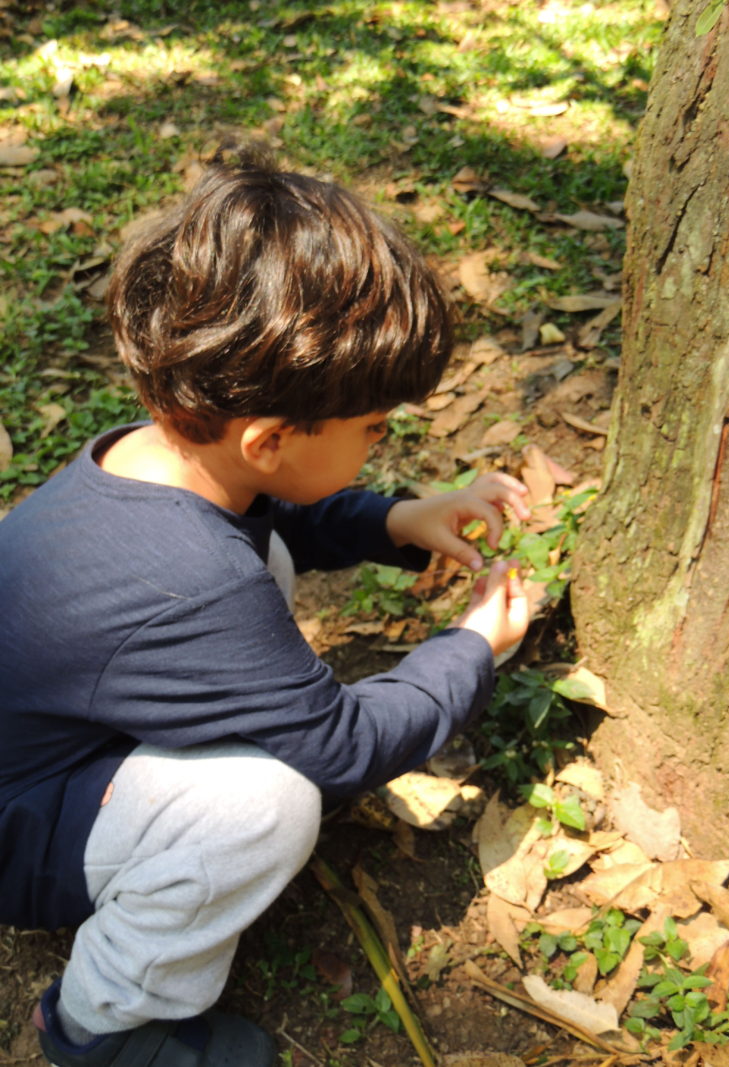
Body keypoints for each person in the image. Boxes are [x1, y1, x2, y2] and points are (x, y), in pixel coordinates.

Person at [0, 143, 531, 1067]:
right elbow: (343, 746)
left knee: (269, 552)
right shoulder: (192, 584)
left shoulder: (150, 455)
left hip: (53, 740)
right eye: (374, 429)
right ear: (270, 436)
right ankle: (101, 1024)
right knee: (270, 802)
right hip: (18, 829)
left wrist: (400, 518)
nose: (381, 439)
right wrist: (470, 645)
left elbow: (275, 508)